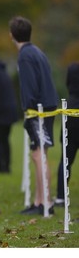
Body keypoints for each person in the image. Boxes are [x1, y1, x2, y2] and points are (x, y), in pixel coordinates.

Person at [9, 16, 58, 215]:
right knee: (39, 154)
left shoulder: (25, 55)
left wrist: (28, 109)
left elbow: (29, 85)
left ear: (11, 35)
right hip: (46, 105)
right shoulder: (37, 51)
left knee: (39, 155)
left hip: (38, 109)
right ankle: (39, 200)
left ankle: (45, 203)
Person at [54, 62, 79, 207]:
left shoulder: (72, 67)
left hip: (71, 112)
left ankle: (60, 196)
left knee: (66, 160)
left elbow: (68, 84)